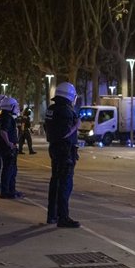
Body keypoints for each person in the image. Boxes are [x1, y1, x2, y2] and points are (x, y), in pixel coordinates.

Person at [44, 82, 81, 228]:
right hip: (65, 152)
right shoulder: (66, 111)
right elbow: (65, 133)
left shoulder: (51, 109)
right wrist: (76, 125)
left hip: (55, 149)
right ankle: (63, 217)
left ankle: (52, 215)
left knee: (55, 182)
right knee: (65, 185)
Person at [0, 96, 23, 199]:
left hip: (5, 147)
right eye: (15, 106)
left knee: (9, 169)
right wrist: (9, 143)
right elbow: (3, 131)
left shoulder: (2, 116)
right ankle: (6, 191)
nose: (16, 108)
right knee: (9, 169)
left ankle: (10, 190)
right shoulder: (7, 117)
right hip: (8, 148)